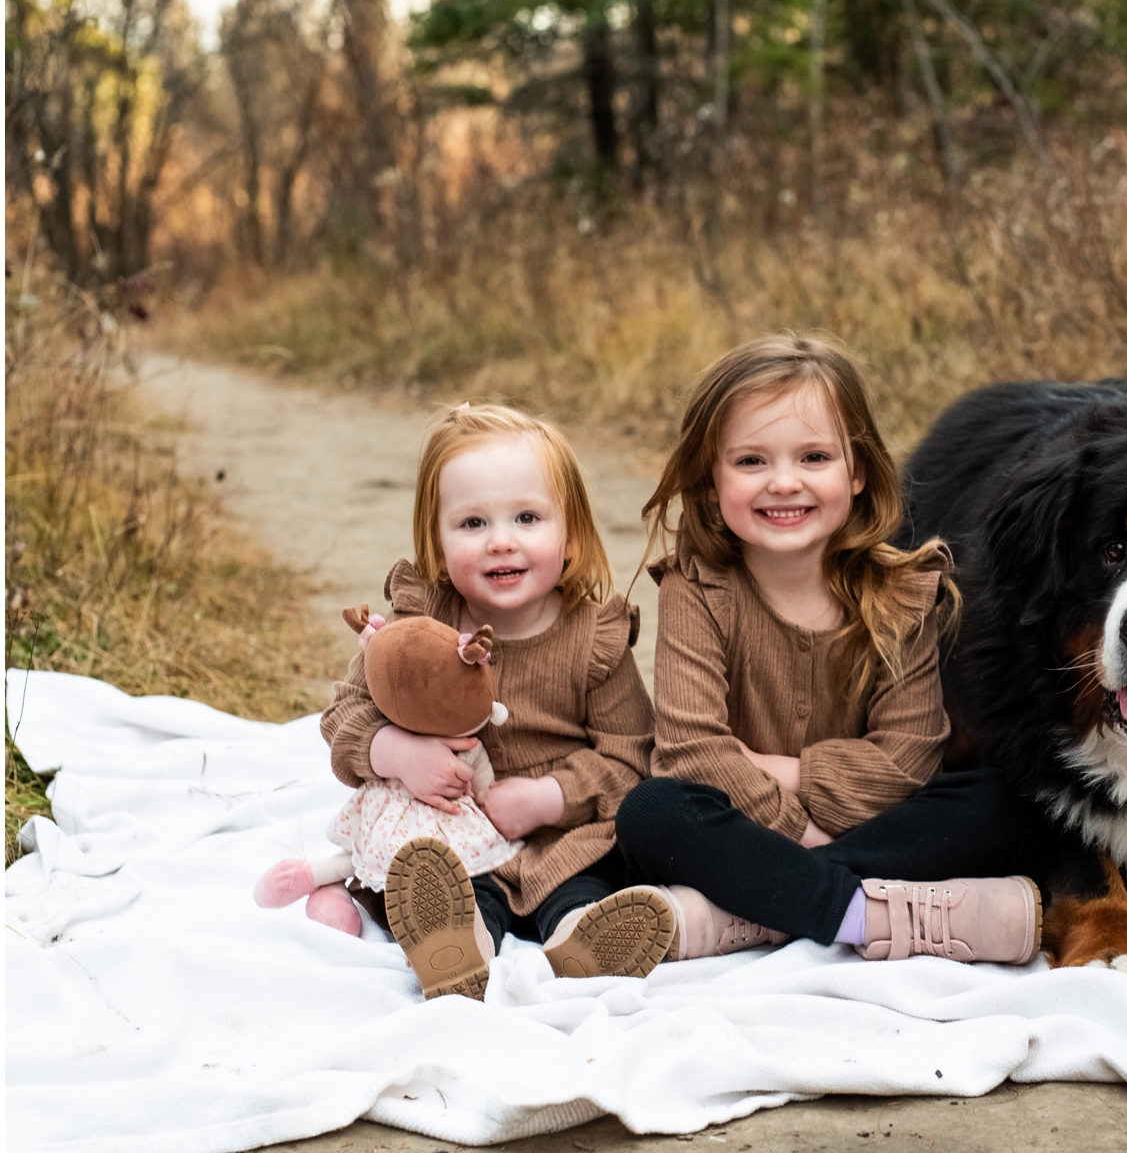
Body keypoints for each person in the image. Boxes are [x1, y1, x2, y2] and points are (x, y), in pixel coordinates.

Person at [594, 334, 1040, 971]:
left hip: (852, 825)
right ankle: (871, 914)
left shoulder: (900, 592)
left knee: (999, 802)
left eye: (814, 456)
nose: (783, 483)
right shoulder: (698, 589)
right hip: (738, 822)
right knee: (654, 813)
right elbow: (693, 754)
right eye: (750, 461)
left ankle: (742, 914)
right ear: (711, 474)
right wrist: (800, 832)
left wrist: (783, 771)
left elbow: (908, 762)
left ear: (855, 471)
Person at [319, 403, 657, 1000]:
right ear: (437, 537)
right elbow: (344, 713)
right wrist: (394, 751)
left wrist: (552, 797)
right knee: (451, 890)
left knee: (583, 888)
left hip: (562, 842)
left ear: (570, 531)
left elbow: (633, 759)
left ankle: (587, 945)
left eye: (528, 518)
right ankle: (455, 950)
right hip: (454, 838)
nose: (502, 542)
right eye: (472, 524)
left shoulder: (595, 641)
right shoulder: (420, 621)